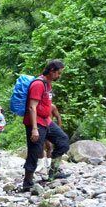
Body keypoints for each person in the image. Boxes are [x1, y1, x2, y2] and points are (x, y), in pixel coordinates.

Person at [22, 59, 70, 191]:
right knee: (35, 151)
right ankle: (27, 182)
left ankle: (53, 172)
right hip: (36, 122)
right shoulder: (38, 84)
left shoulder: (48, 84)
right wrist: (35, 129)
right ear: (51, 71)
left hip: (46, 121)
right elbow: (32, 107)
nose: (59, 76)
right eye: (58, 73)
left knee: (63, 140)